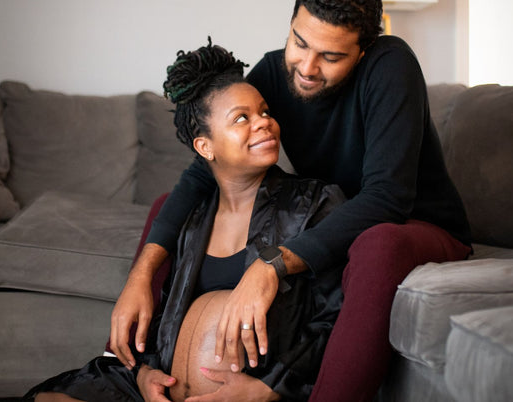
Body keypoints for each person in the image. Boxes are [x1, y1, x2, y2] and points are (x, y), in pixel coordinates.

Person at [111, 1, 473, 400]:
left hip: (414, 226)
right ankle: (128, 368)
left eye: (331, 56)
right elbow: (203, 171)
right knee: (169, 204)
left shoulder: (391, 65)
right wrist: (140, 276)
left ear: (364, 50)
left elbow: (388, 198)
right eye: (299, 43)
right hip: (336, 221)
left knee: (377, 243)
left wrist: (271, 265)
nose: (307, 67)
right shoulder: (274, 71)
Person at [26, 39, 345, 402]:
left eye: (265, 111)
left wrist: (269, 387)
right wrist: (145, 375)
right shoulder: (193, 217)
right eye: (242, 118)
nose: (264, 123)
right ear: (205, 147)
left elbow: (335, 317)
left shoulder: (313, 204)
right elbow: (164, 318)